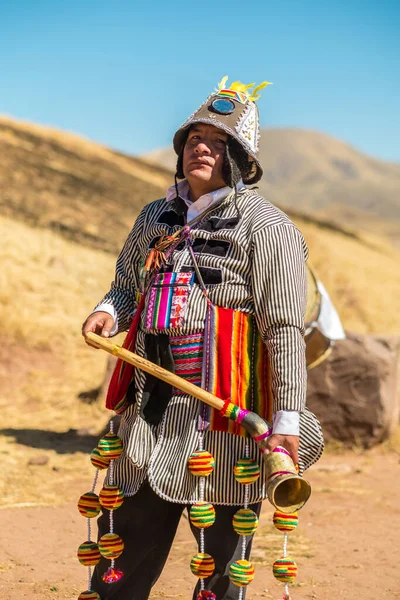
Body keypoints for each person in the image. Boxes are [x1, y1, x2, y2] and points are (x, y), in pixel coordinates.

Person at [82, 77, 324, 600]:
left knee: (219, 569)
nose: (200, 147)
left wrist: (284, 422)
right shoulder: (155, 215)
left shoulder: (267, 228)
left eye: (216, 143)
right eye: (193, 138)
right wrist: (107, 312)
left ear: (238, 158)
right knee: (120, 555)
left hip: (229, 421)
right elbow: (126, 287)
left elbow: (283, 331)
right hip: (148, 410)